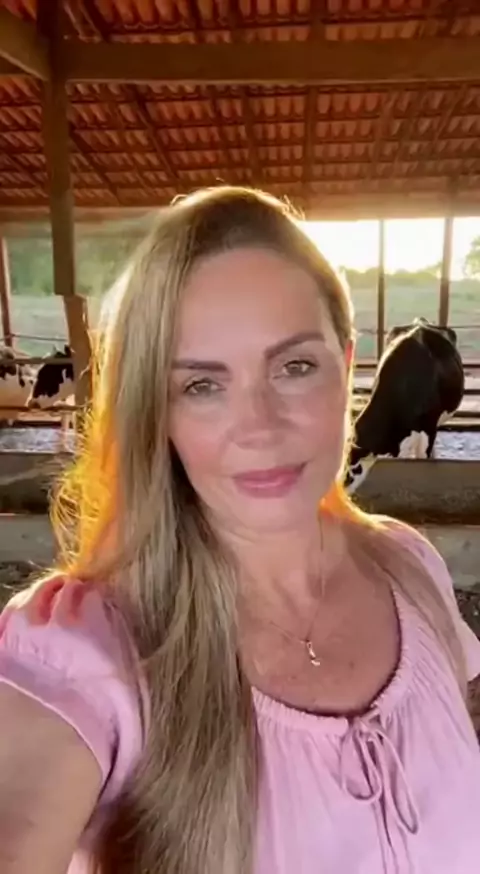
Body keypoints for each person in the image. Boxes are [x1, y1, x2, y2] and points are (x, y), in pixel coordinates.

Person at [0, 187, 479, 874]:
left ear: (347, 369)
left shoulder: (411, 568)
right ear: (156, 412)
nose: (260, 428)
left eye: (294, 367)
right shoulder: (89, 651)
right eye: (202, 385)